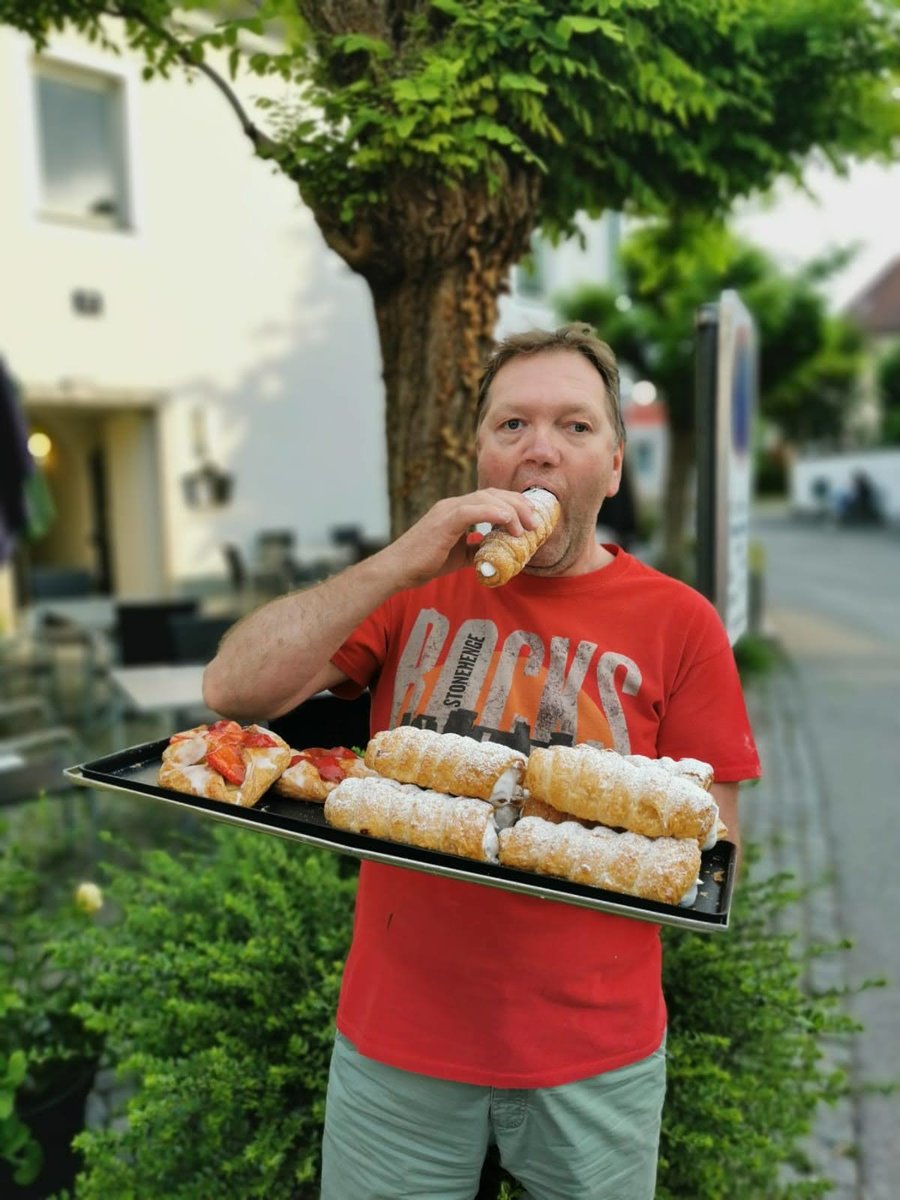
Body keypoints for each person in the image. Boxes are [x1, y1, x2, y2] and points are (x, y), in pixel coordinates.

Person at [203, 323, 761, 1200]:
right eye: (512, 426)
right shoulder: (416, 588)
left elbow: (715, 847)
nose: (539, 450)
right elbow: (234, 687)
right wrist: (396, 562)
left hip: (595, 1061)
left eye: (575, 428)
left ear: (614, 467)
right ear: (480, 456)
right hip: (399, 1049)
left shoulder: (680, 622)